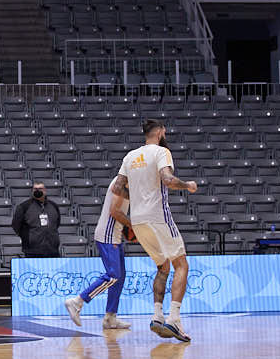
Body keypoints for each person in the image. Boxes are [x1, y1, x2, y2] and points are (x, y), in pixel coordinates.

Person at [111, 119, 198, 342]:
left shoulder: (130, 156)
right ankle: (174, 319)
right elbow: (167, 180)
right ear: (159, 132)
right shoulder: (161, 152)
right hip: (158, 216)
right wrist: (187, 185)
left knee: (163, 267)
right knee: (181, 265)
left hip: (138, 220)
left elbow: (117, 188)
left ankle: (157, 316)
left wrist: (137, 196)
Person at [64, 183, 132, 330]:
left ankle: (110, 317)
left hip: (115, 235)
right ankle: (77, 301)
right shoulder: (121, 183)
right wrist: (132, 225)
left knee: (119, 277)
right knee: (113, 275)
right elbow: (114, 211)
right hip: (107, 236)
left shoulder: (130, 182)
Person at [11, 181, 61, 258]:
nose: (37, 191)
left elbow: (56, 224)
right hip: (32, 251)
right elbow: (16, 225)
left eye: (40, 188)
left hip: (52, 250)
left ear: (45, 190)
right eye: (35, 189)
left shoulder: (54, 206)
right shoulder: (24, 207)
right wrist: (28, 237)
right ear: (32, 191)